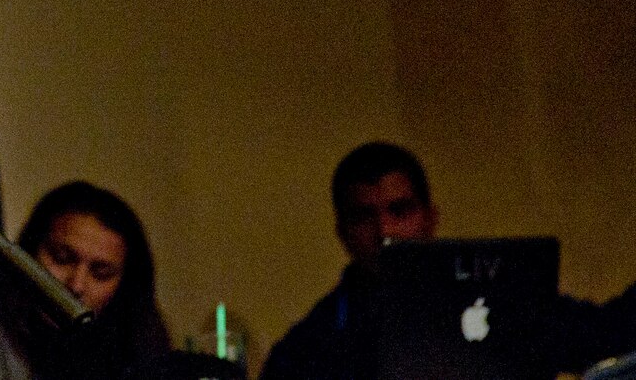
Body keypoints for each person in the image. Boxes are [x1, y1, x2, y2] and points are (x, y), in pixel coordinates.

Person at [263, 141, 636, 380]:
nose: (384, 230)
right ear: (343, 232)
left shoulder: (495, 302)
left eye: (400, 210)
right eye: (364, 216)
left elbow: (606, 333)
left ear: (429, 217)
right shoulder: (311, 347)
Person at [0, 181, 174, 380]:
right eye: (62, 258)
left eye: (100, 273)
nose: (76, 285)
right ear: (28, 254)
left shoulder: (135, 356)